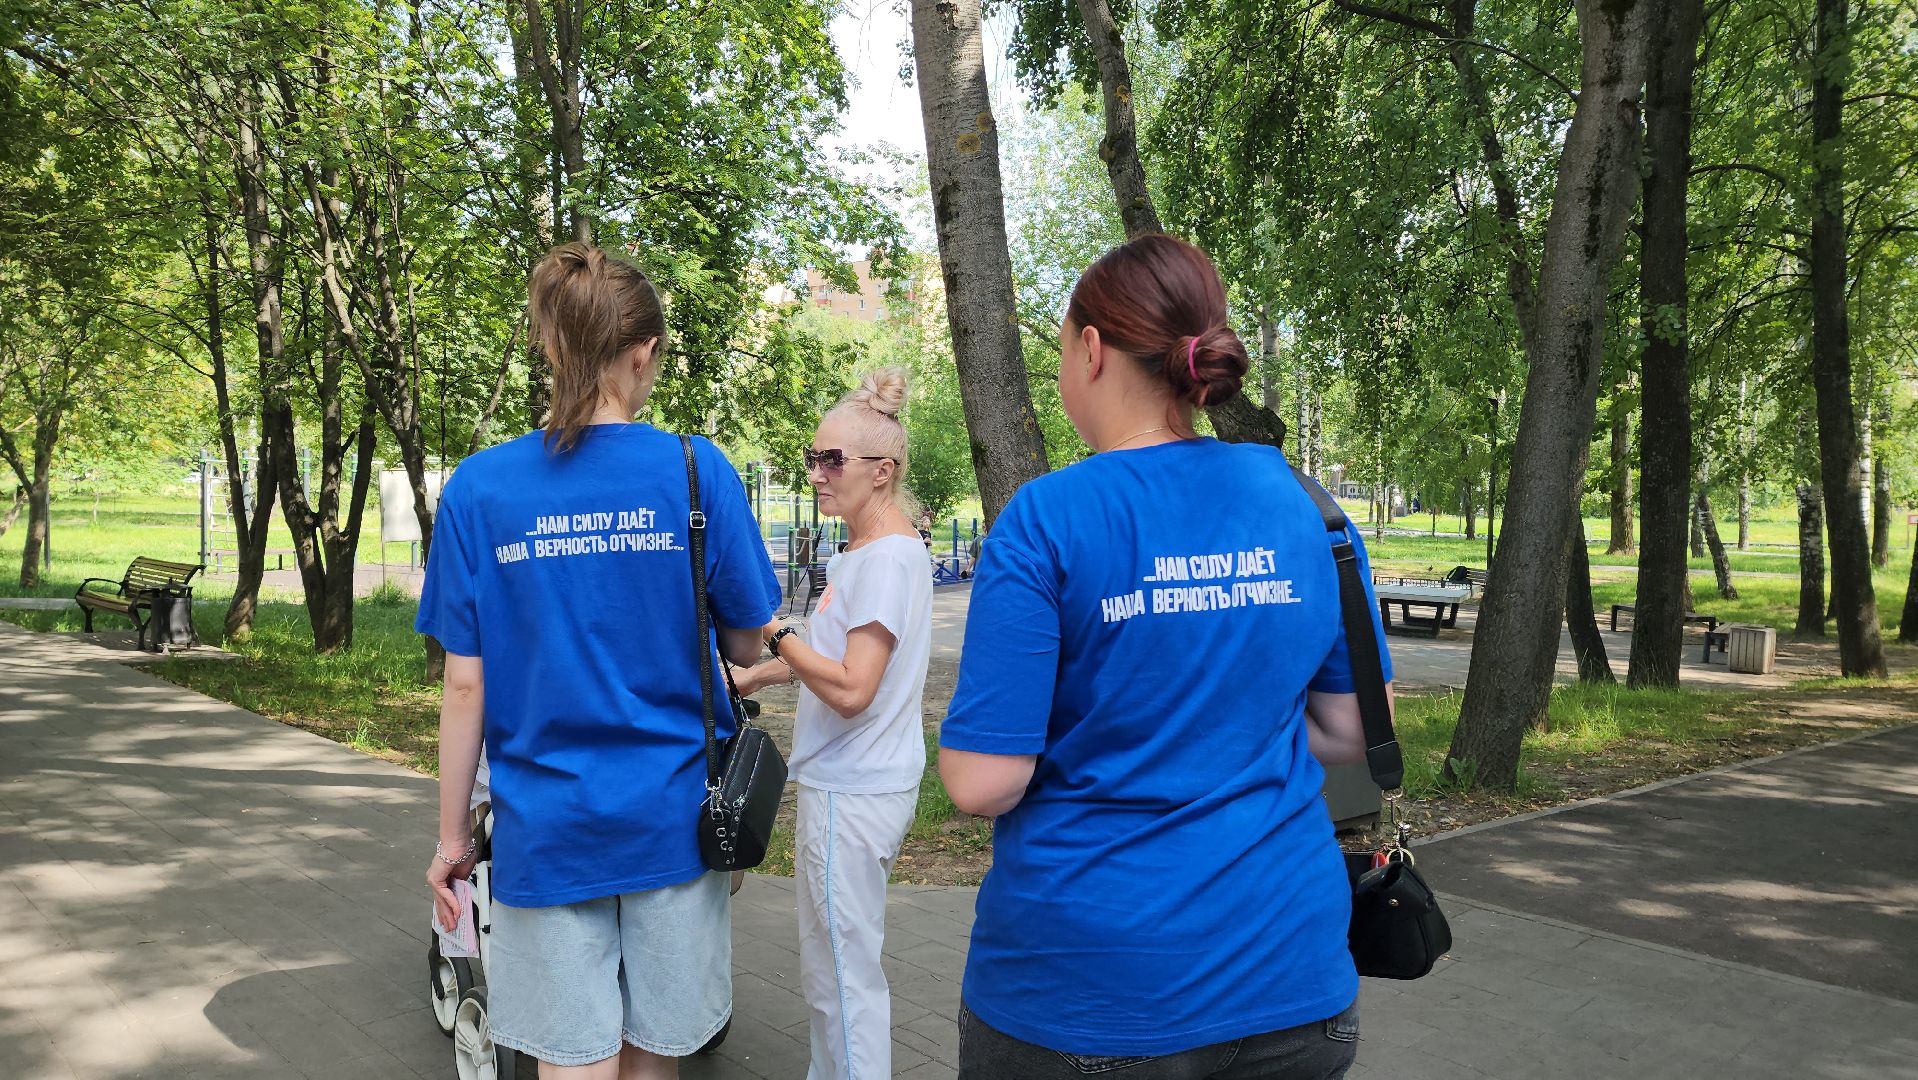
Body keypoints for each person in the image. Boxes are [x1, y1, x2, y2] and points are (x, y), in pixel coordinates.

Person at [937, 233, 1394, 1080]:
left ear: (1092, 348)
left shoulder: (1046, 520)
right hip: (1290, 978)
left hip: (1089, 992)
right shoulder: (1312, 509)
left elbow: (980, 781)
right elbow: (1355, 728)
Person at [420, 241, 780, 1080]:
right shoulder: (697, 471)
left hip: (546, 827)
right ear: (644, 352)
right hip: (676, 819)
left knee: (570, 1062)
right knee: (653, 1057)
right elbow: (742, 643)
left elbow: (464, 683)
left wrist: (450, 842)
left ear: (551, 348)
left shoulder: (479, 488)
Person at [735, 369, 934, 1080]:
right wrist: (758, 674)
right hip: (866, 785)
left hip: (851, 793)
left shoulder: (881, 562)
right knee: (837, 969)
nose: (817, 475)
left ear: (882, 473)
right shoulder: (876, 551)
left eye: (832, 461)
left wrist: (773, 631)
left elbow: (851, 689)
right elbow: (837, 657)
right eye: (812, 459)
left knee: (840, 980)